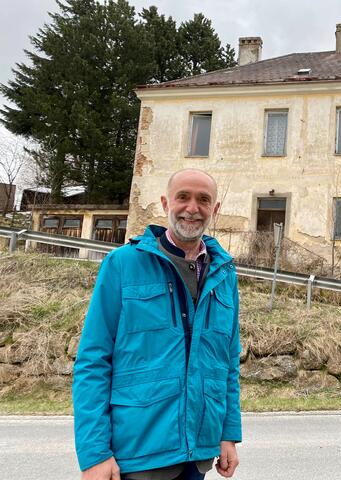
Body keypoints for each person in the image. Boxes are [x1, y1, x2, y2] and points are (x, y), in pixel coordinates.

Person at [73, 168, 241, 480]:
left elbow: (227, 362)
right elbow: (93, 362)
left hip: (198, 453)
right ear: (165, 204)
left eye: (203, 200)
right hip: (138, 454)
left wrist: (227, 434)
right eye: (183, 197)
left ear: (215, 209)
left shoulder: (224, 274)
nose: (192, 208)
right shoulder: (122, 264)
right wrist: (95, 454)